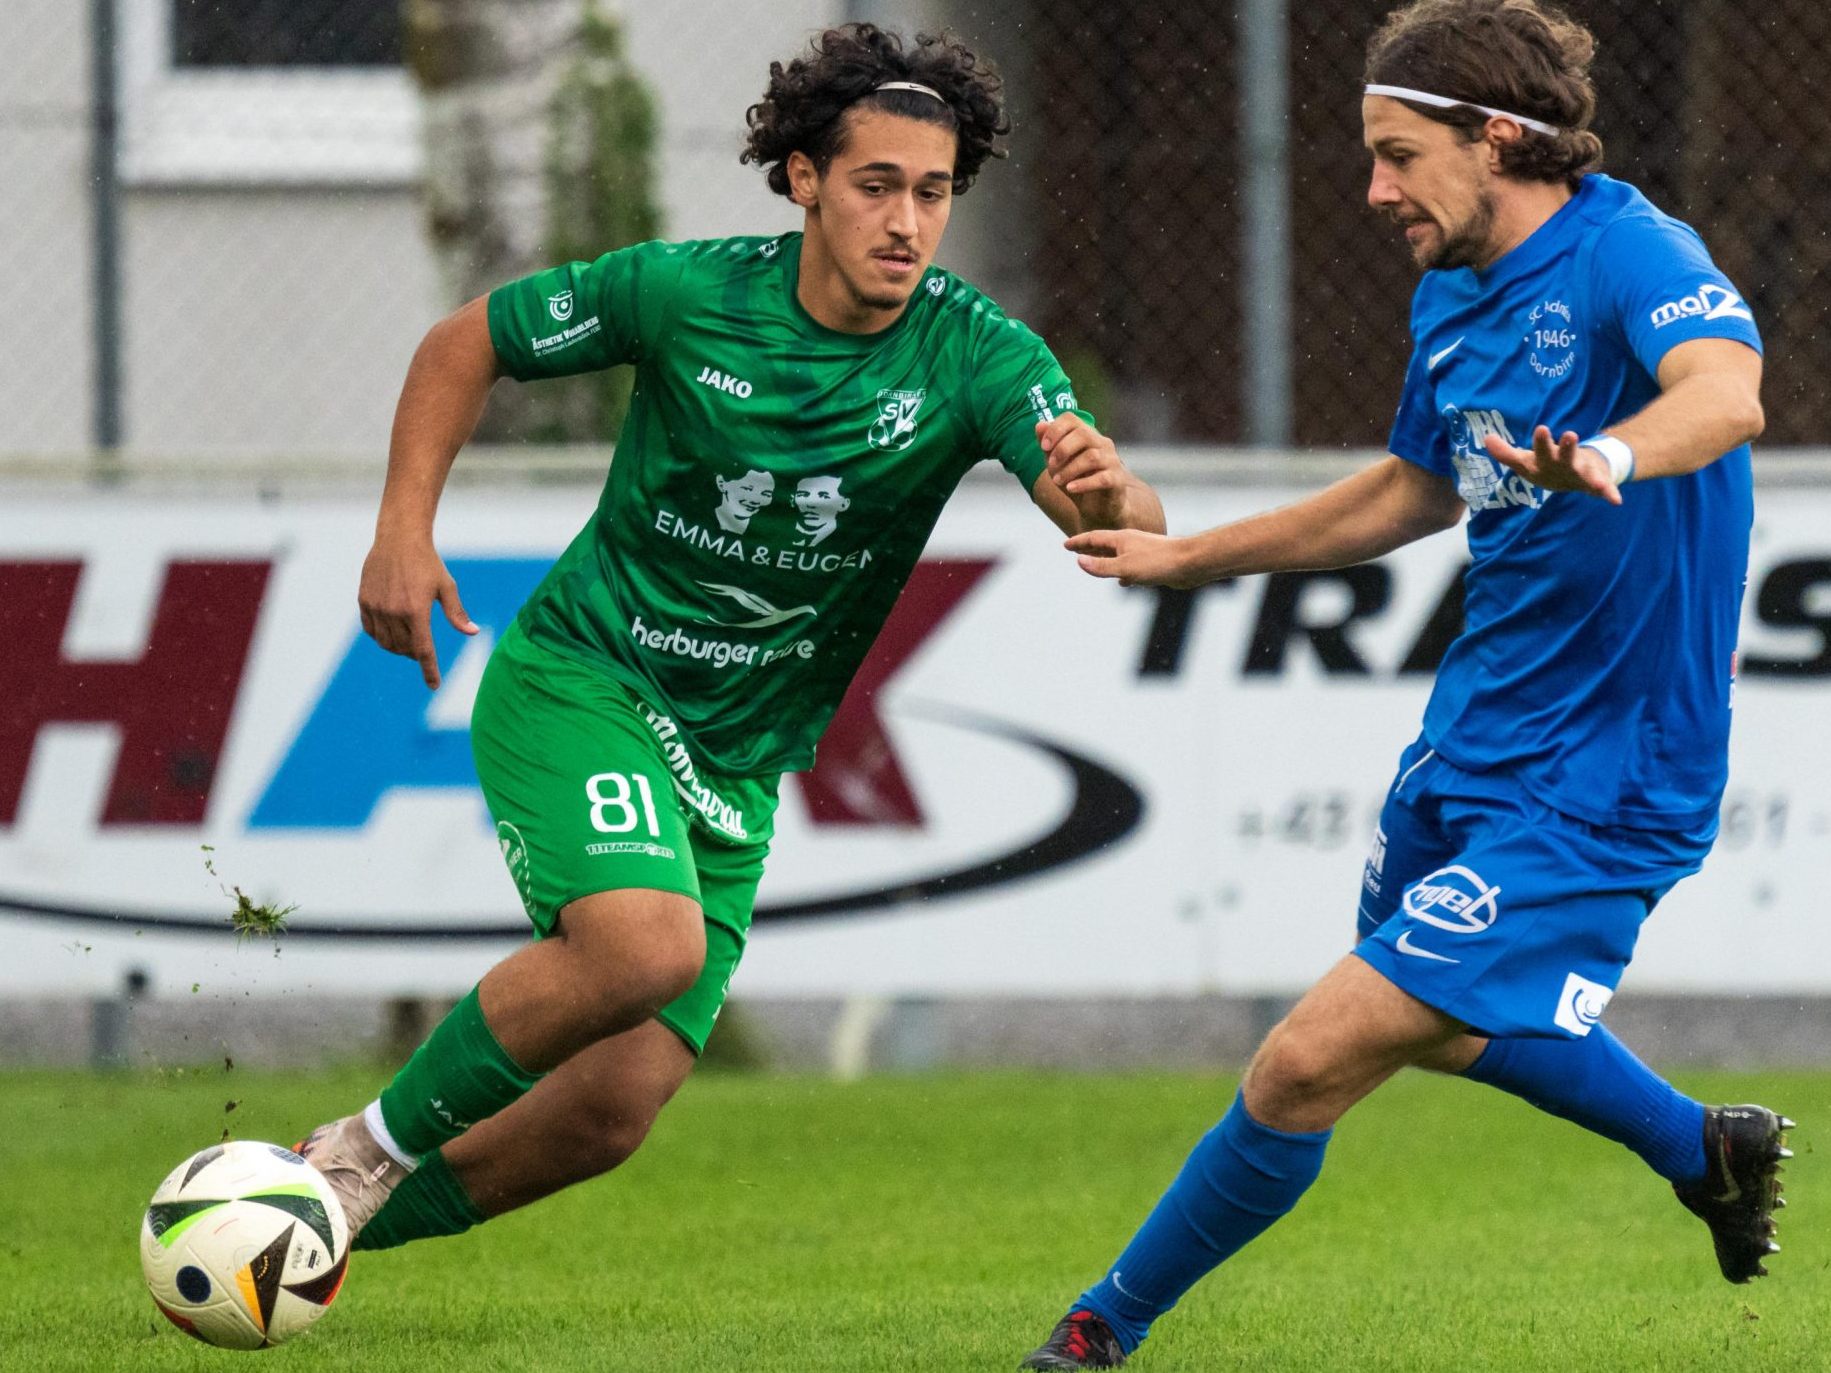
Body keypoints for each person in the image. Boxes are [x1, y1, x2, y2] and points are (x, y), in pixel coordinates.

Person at [298, 23, 1165, 1256]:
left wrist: (1108, 490)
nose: (908, 223)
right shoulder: (688, 292)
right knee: (644, 943)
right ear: (805, 178)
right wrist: (401, 531)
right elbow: (467, 341)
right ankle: (352, 1159)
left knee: (608, 1112)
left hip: (735, 759)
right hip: (586, 677)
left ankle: (296, 1228)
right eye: (877, 186)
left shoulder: (976, 353)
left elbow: (1122, 526)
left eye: (933, 193)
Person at [1022, 1, 1786, 1366]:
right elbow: (1413, 486)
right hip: (1475, 739)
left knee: (1308, 1055)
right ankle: (1702, 1148)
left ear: (1495, 138)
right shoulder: (1449, 290)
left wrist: (1612, 455)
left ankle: (1092, 1333)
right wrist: (1190, 555)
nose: (1372, 190)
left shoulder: (1630, 250)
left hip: (1612, 770)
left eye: (1394, 155)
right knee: (1431, 1026)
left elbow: (1725, 393)